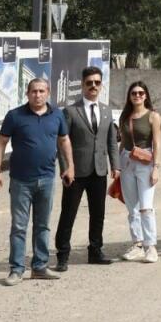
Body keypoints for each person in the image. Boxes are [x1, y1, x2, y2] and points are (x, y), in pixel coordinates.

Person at [0, 78, 73, 285]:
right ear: (27, 94)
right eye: (34, 91)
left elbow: (64, 140)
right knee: (19, 226)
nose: (38, 95)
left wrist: (69, 166)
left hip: (47, 179)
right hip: (20, 181)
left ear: (48, 92)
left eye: (41, 91)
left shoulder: (57, 115)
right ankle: (17, 269)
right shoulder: (15, 116)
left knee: (43, 225)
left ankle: (39, 267)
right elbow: (1, 143)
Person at [55, 66, 117, 270]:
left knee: (98, 213)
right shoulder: (71, 111)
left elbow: (111, 142)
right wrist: (65, 169)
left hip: (99, 171)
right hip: (76, 172)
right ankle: (63, 255)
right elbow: (62, 142)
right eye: (89, 83)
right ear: (82, 85)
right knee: (68, 213)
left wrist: (115, 166)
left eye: (97, 83)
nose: (93, 86)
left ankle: (95, 251)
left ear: (101, 85)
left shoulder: (107, 111)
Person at [117, 81, 161, 263]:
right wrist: (117, 166)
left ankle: (151, 246)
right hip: (127, 161)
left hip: (145, 161)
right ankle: (137, 243)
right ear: (129, 96)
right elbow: (122, 142)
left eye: (141, 93)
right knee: (131, 207)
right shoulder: (124, 116)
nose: (137, 96)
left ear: (146, 96)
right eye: (134, 93)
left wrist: (156, 168)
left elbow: (157, 143)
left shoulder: (153, 116)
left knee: (146, 206)